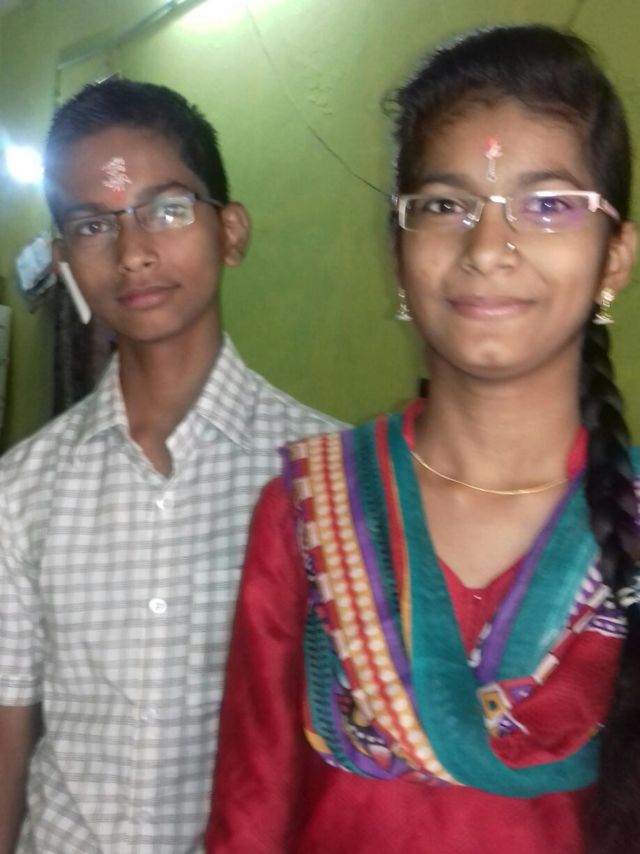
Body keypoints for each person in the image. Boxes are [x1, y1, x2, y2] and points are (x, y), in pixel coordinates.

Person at [206, 24, 640, 854]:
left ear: (614, 258)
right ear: (399, 249)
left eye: (549, 205)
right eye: (445, 205)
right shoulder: (307, 513)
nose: (487, 248)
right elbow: (248, 818)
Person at [0, 79, 341, 854]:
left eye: (167, 209)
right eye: (94, 224)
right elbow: (7, 733)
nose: (134, 253)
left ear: (231, 231)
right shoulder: (22, 490)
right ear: (64, 259)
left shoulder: (323, 477)